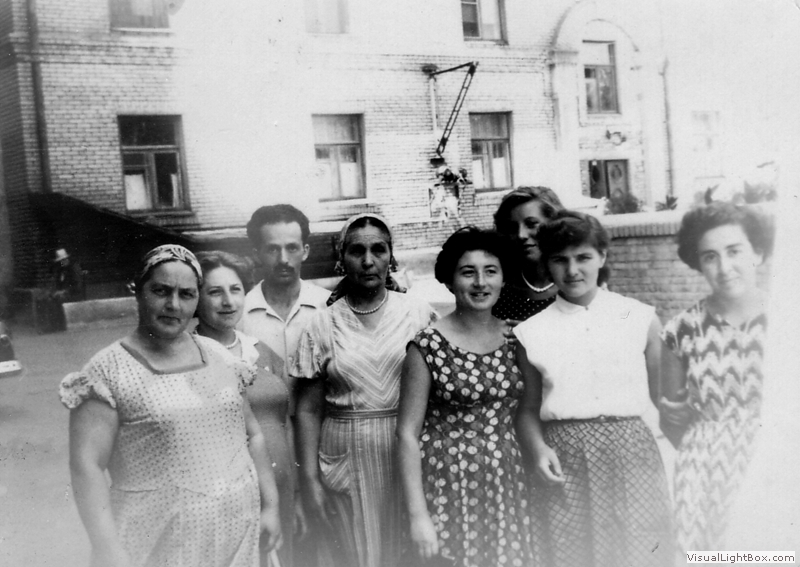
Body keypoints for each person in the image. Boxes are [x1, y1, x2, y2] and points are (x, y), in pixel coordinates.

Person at [61, 244, 281, 567]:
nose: (174, 305)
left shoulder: (219, 356)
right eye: (161, 291)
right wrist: (106, 547)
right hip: (156, 544)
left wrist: (270, 506)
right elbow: (86, 467)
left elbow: (253, 435)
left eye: (187, 294)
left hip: (237, 536)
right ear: (138, 292)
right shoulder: (107, 370)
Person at [513, 211, 672, 567]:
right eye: (560, 260)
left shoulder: (639, 317)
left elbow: (664, 398)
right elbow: (527, 409)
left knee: (640, 548)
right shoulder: (532, 332)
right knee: (574, 551)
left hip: (632, 453)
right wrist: (538, 449)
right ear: (546, 263)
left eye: (583, 257)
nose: (572, 270)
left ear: (602, 256)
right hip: (565, 456)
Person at [293, 213, 437, 567]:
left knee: (411, 550)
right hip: (346, 455)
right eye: (357, 251)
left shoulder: (419, 314)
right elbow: (308, 410)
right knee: (357, 552)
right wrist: (310, 480)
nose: (369, 261)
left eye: (378, 250)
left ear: (391, 256)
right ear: (342, 258)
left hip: (410, 448)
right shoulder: (321, 324)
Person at [397, 227, 535, 567]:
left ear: (503, 278)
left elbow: (530, 410)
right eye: (468, 272)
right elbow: (407, 434)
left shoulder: (516, 338)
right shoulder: (427, 345)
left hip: (506, 479)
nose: (480, 282)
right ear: (449, 280)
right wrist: (418, 515)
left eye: (491, 271)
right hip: (447, 483)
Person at [659, 202, 774, 552]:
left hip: (773, 466)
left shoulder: (786, 319)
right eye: (710, 257)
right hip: (702, 476)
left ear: (757, 252)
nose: (724, 268)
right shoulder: (681, 330)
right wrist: (707, 448)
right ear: (698, 263)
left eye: (734, 251)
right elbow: (671, 417)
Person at [195, 250, 297, 567]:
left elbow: (286, 421)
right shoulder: (191, 356)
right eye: (215, 292)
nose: (228, 301)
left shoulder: (259, 350)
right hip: (233, 497)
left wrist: (296, 494)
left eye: (235, 289)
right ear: (195, 298)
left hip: (282, 489)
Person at [492, 186, 564, 322]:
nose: (521, 235)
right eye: (512, 227)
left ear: (554, 224)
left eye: (531, 224)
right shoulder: (499, 287)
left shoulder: (576, 284)